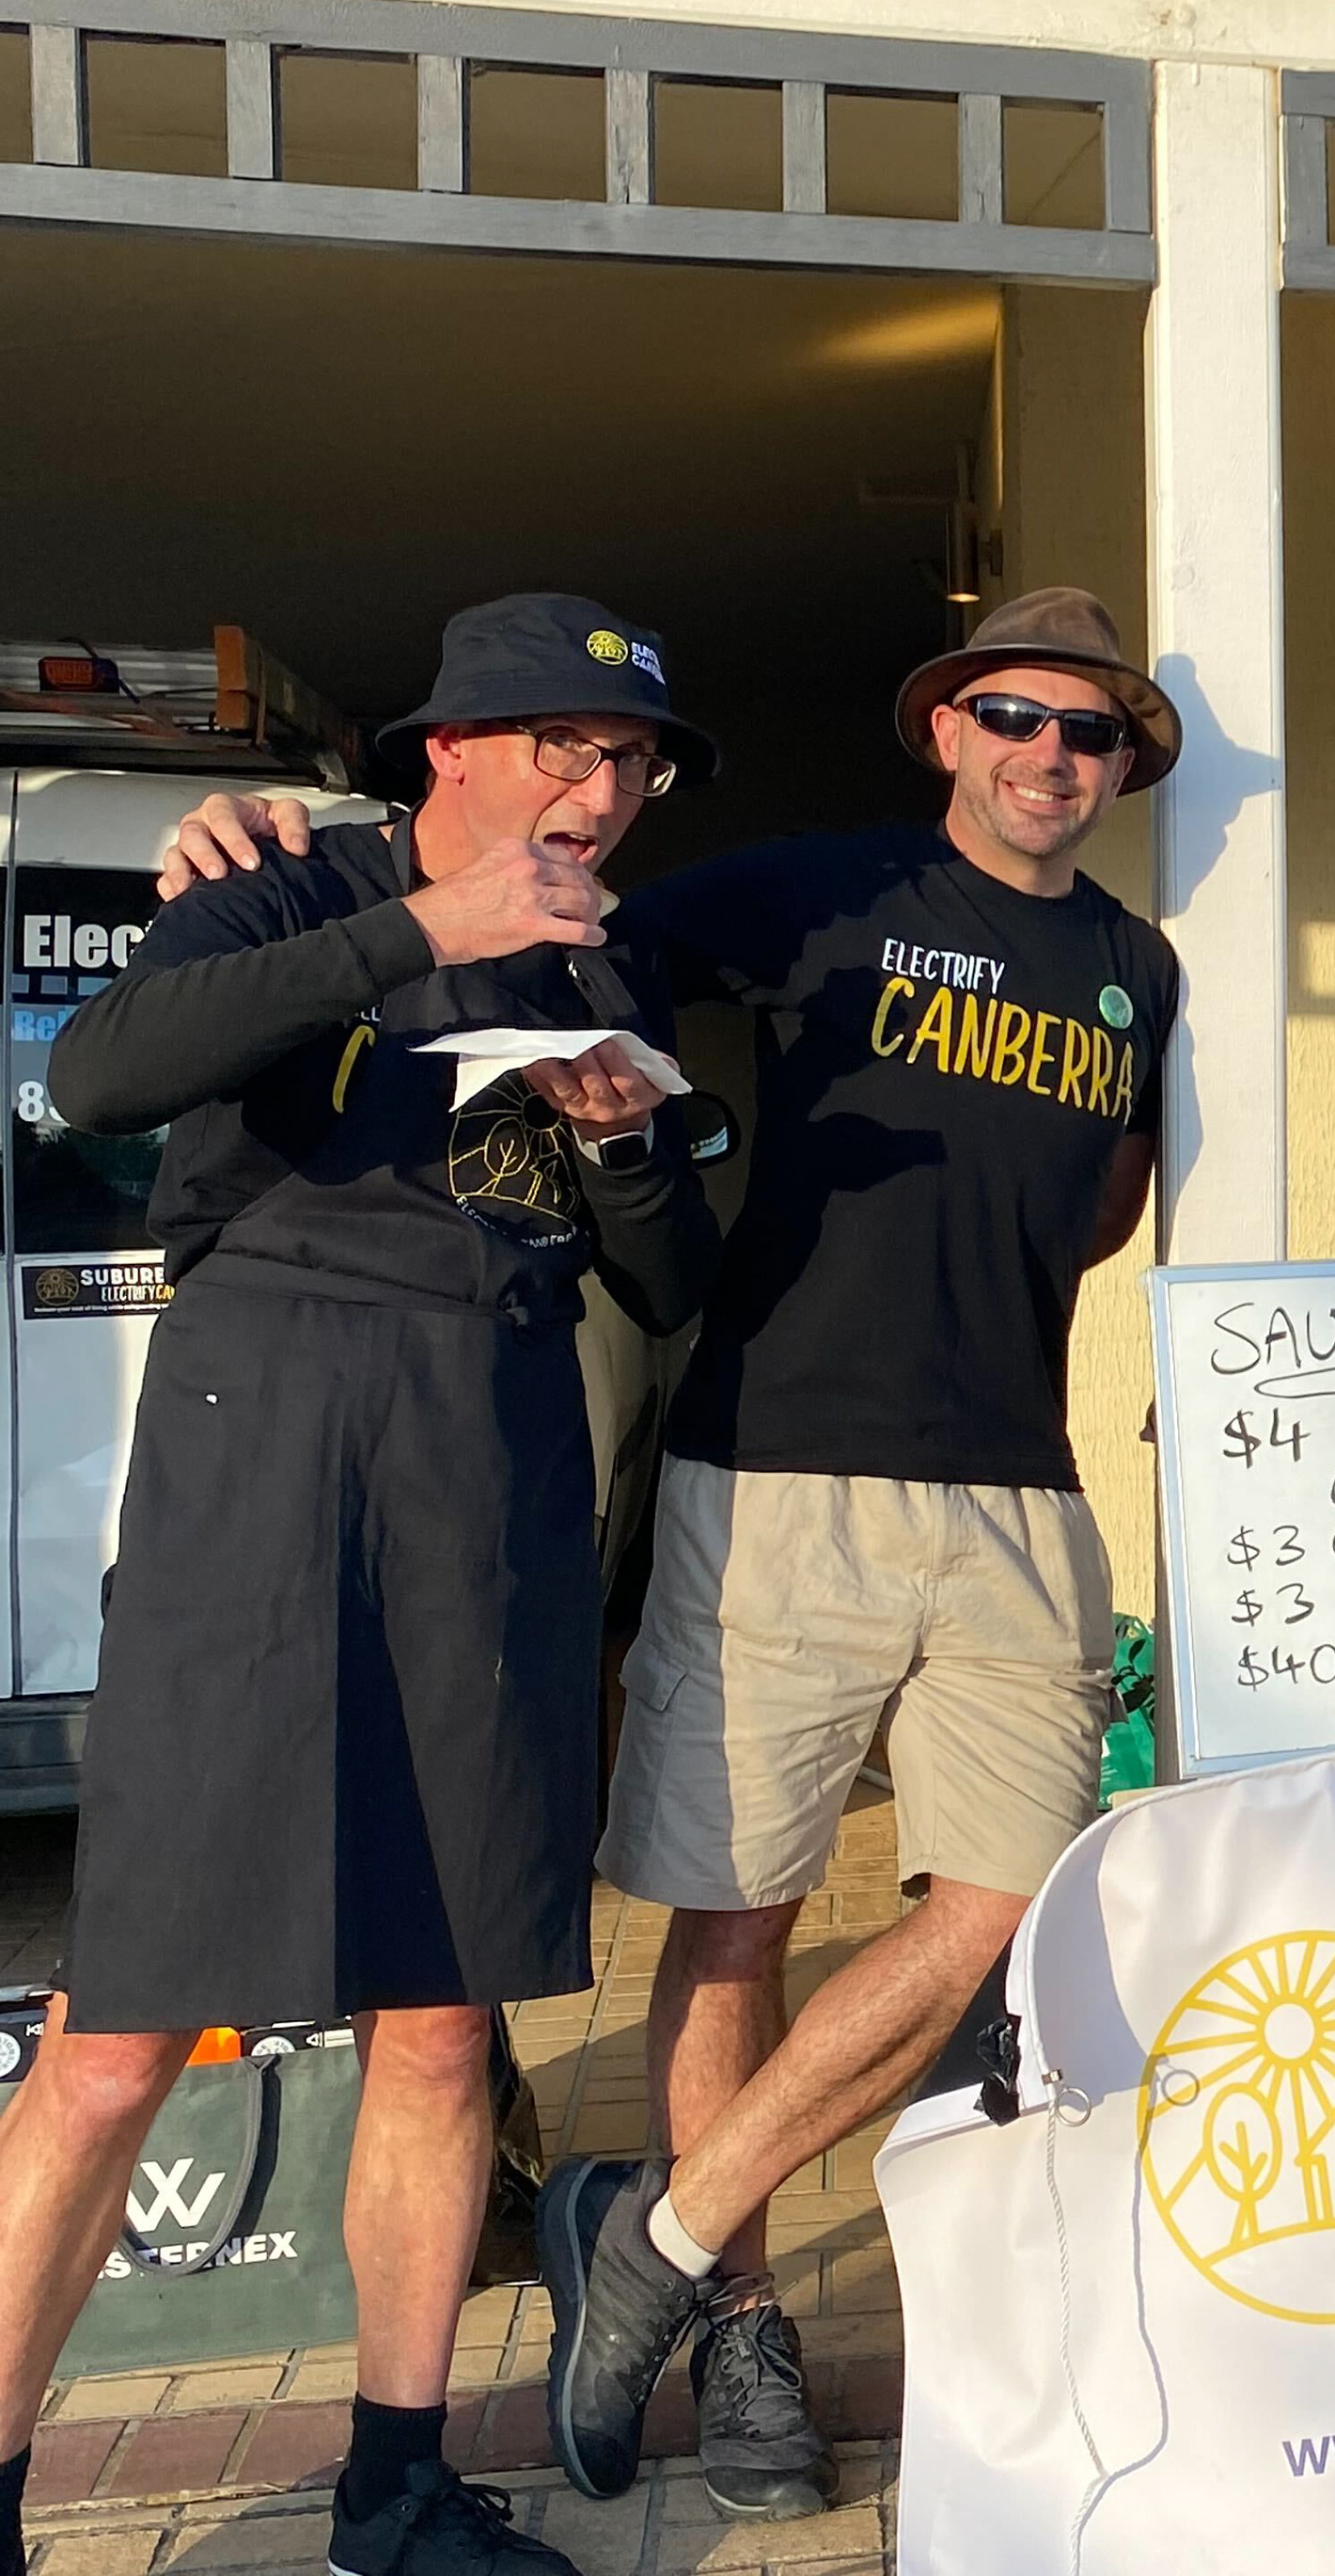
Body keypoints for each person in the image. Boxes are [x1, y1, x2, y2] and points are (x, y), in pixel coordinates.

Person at [155, 587, 1184, 2524]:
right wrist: (295, 846)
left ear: (1126, 769)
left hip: (1023, 1488)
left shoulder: (1140, 965)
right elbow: (542, 912)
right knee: (738, 1920)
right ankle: (745, 2334)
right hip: (776, 1460)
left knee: (1003, 1907)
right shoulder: (818, 891)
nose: (1054, 756)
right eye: (1017, 717)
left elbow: (1112, 1202)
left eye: (1093, 733)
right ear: (947, 729)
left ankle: (667, 2227)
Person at [0, 594, 722, 2576]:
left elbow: (673, 1283)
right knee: (124, 2030)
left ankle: (395, 2488)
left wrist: (629, 1146)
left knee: (442, 2017)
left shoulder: (613, 957)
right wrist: (419, 930)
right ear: (449, 752)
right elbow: (101, 1079)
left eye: (634, 763)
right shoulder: (272, 887)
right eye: (567, 748)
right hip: (265, 1445)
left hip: (493, 1461)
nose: (603, 793)